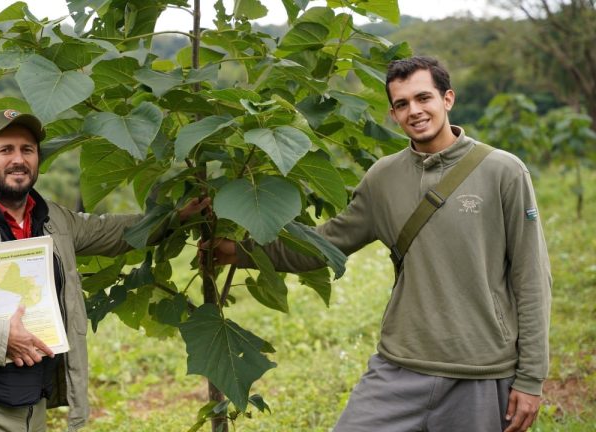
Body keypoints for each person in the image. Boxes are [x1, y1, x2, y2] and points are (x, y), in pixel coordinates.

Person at [210, 56, 551, 432]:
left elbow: (531, 278)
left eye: (424, 98)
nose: (414, 111)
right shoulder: (383, 177)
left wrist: (530, 378)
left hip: (481, 370)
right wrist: (238, 251)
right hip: (398, 366)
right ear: (393, 114)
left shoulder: (503, 171)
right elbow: (324, 244)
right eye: (402, 104)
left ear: (447, 99)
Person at [0, 109, 208, 432]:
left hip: (34, 407)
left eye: (27, 150)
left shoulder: (53, 220)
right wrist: (2, 337)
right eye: (5, 150)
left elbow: (112, 231)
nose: (18, 159)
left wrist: (175, 218)